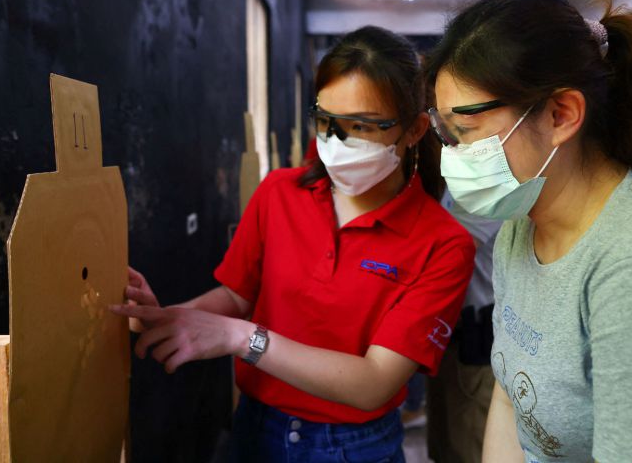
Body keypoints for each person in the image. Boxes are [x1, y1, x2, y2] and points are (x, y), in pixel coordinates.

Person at [110, 26, 475, 462]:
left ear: (414, 130)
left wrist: (243, 339)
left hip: (352, 447)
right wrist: (169, 318)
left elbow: (374, 382)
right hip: (255, 429)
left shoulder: (443, 244)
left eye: (361, 126)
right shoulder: (279, 193)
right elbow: (235, 297)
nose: (337, 143)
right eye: (325, 121)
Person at [424, 0, 632, 462]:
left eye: (466, 132)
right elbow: (510, 399)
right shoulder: (520, 226)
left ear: (562, 114)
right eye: (446, 134)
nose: (454, 156)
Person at [426, 193, 501, 463]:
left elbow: (444, 253)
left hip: (478, 343)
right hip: (447, 339)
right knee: (445, 447)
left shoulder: (487, 191)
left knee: (470, 448)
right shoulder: (454, 181)